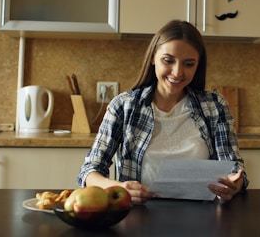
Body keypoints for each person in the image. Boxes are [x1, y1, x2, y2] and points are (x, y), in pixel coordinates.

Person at [77, 20, 247, 204]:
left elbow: (235, 169)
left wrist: (233, 185)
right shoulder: (124, 106)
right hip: (139, 216)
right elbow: (89, 170)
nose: (177, 72)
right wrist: (116, 187)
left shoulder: (215, 106)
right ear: (153, 58)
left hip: (203, 216)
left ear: (198, 66)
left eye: (188, 64)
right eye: (168, 61)